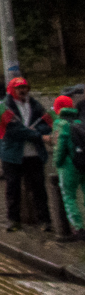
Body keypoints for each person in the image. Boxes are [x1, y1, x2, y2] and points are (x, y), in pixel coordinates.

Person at [0, 77, 53, 233]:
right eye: (19, 88)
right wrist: (36, 135)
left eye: (25, 87)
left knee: (39, 188)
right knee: (13, 187)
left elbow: (46, 124)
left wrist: (35, 132)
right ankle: (13, 220)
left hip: (33, 154)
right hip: (12, 155)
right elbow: (13, 130)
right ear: (12, 90)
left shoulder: (35, 105)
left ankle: (45, 220)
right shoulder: (5, 107)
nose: (22, 90)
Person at [52, 95, 85, 239]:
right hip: (83, 163)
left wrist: (57, 163)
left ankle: (78, 229)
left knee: (69, 197)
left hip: (69, 166)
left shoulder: (60, 123)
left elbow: (60, 148)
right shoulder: (79, 121)